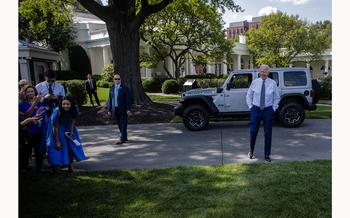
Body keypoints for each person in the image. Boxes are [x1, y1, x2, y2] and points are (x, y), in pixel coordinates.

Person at [246, 64, 280, 162]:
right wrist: (251, 107)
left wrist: (273, 108)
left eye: (265, 71)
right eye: (262, 71)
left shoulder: (273, 83)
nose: (263, 73)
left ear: (268, 72)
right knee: (253, 131)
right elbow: (249, 95)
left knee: (268, 133)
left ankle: (267, 155)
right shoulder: (255, 82)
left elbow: (277, 97)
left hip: (268, 110)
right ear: (259, 72)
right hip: (256, 109)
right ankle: (251, 151)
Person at [46, 96, 86, 172]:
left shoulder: (75, 109)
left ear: (71, 104)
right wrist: (57, 141)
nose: (65, 106)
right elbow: (55, 127)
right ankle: (56, 166)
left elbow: (73, 120)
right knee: (57, 146)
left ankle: (71, 167)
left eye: (68, 104)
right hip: (58, 129)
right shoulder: (57, 111)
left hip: (68, 127)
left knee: (71, 146)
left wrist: (71, 130)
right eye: (63, 104)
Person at [19, 85, 47, 171]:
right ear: (25, 94)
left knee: (39, 150)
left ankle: (39, 167)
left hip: (39, 129)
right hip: (28, 131)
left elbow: (44, 114)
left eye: (32, 91)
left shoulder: (40, 102)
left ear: (35, 92)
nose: (31, 93)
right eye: (28, 92)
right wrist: (34, 103)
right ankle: (24, 167)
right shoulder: (22, 104)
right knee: (26, 150)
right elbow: (25, 115)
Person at [107, 73, 132, 144]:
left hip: (123, 110)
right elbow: (110, 100)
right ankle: (125, 138)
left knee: (123, 124)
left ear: (120, 80)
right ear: (113, 80)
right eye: (116, 79)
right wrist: (109, 110)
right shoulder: (112, 89)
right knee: (119, 124)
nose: (117, 80)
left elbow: (128, 100)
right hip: (115, 109)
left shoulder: (125, 88)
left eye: (118, 79)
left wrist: (128, 109)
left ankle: (121, 139)